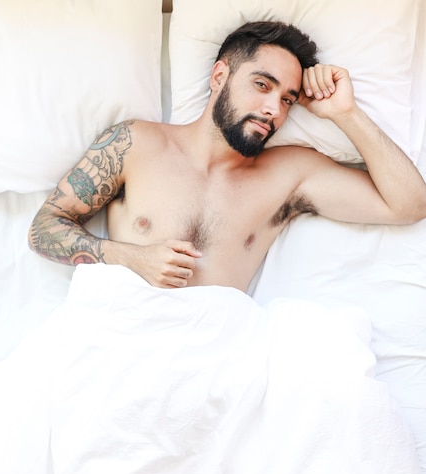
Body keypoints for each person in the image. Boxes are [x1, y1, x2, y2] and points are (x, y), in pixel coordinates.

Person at [28, 21, 426, 291]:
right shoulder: (136, 143)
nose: (275, 109)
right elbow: (44, 228)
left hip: (219, 356)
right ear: (220, 77)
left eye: (288, 98)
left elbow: (409, 205)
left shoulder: (289, 174)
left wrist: (346, 114)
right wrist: (131, 259)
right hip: (128, 334)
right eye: (262, 84)